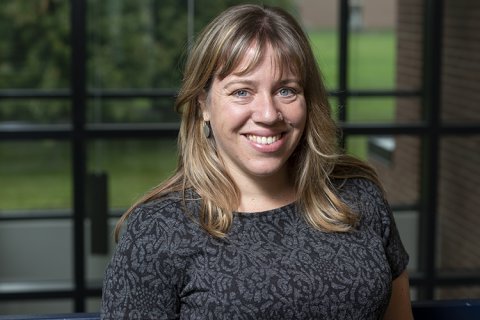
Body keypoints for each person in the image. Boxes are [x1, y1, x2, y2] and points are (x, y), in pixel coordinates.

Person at [101, 4, 413, 319]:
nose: (267, 114)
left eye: (286, 91)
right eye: (241, 92)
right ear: (203, 105)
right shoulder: (157, 231)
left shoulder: (359, 197)